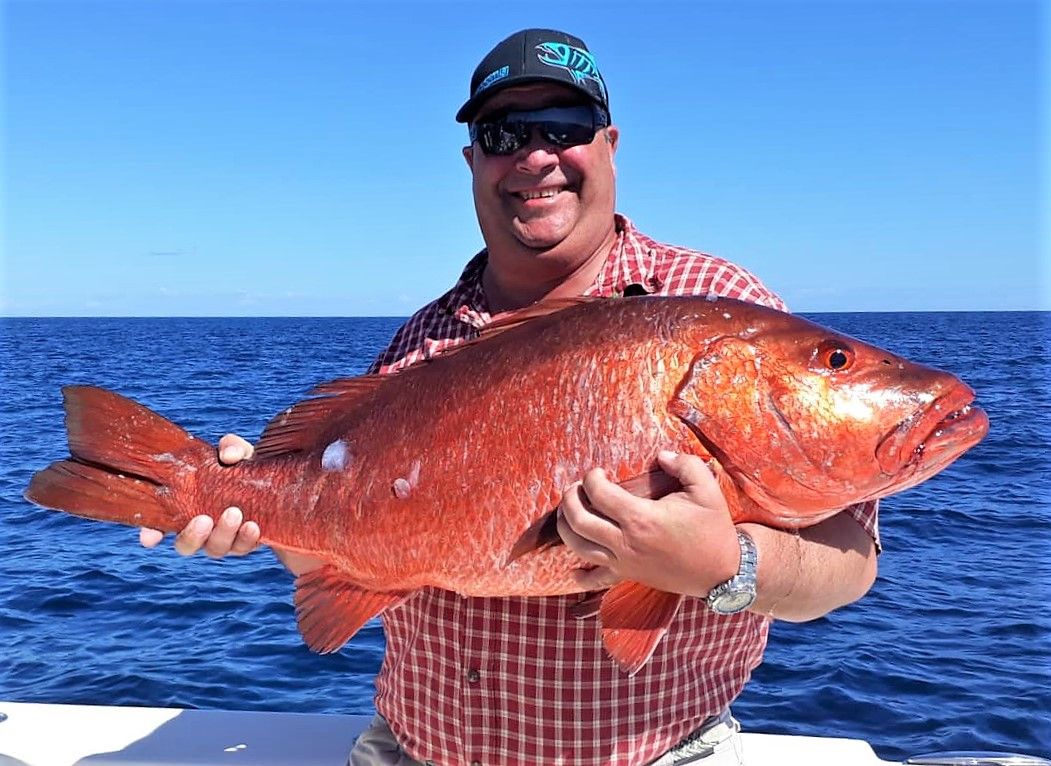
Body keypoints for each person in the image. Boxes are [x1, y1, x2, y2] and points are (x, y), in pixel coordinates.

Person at [140, 29, 879, 766]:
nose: (535, 156)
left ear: (609, 145)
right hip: (409, 749)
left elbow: (847, 563)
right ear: (473, 161)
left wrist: (725, 563)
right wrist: (244, 512)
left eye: (564, 127)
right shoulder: (418, 345)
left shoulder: (720, 304)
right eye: (504, 133)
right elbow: (345, 553)